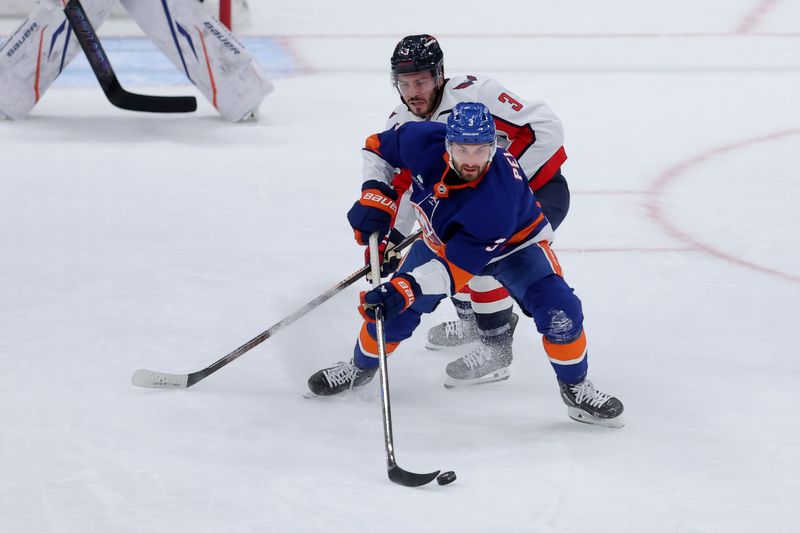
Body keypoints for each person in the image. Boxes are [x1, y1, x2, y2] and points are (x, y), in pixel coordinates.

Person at [307, 102, 624, 428]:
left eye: (480, 150)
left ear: (493, 147)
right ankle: (360, 367)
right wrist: (375, 195)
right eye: (462, 150)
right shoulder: (422, 139)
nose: (471, 161)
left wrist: (404, 288)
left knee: (560, 310)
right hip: (440, 242)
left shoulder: (497, 197)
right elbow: (377, 149)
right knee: (391, 315)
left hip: (516, 248)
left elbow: (453, 271)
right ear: (448, 144)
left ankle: (575, 387)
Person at [376, 34, 570, 388]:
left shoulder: (475, 93)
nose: (413, 92)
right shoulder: (400, 122)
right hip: (468, 204)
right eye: (404, 84)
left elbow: (546, 129)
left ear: (439, 75)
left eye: (421, 80)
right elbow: (407, 187)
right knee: (445, 251)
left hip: (537, 192)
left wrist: (504, 189)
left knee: (481, 262)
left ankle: (496, 351)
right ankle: (471, 322)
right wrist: (396, 238)